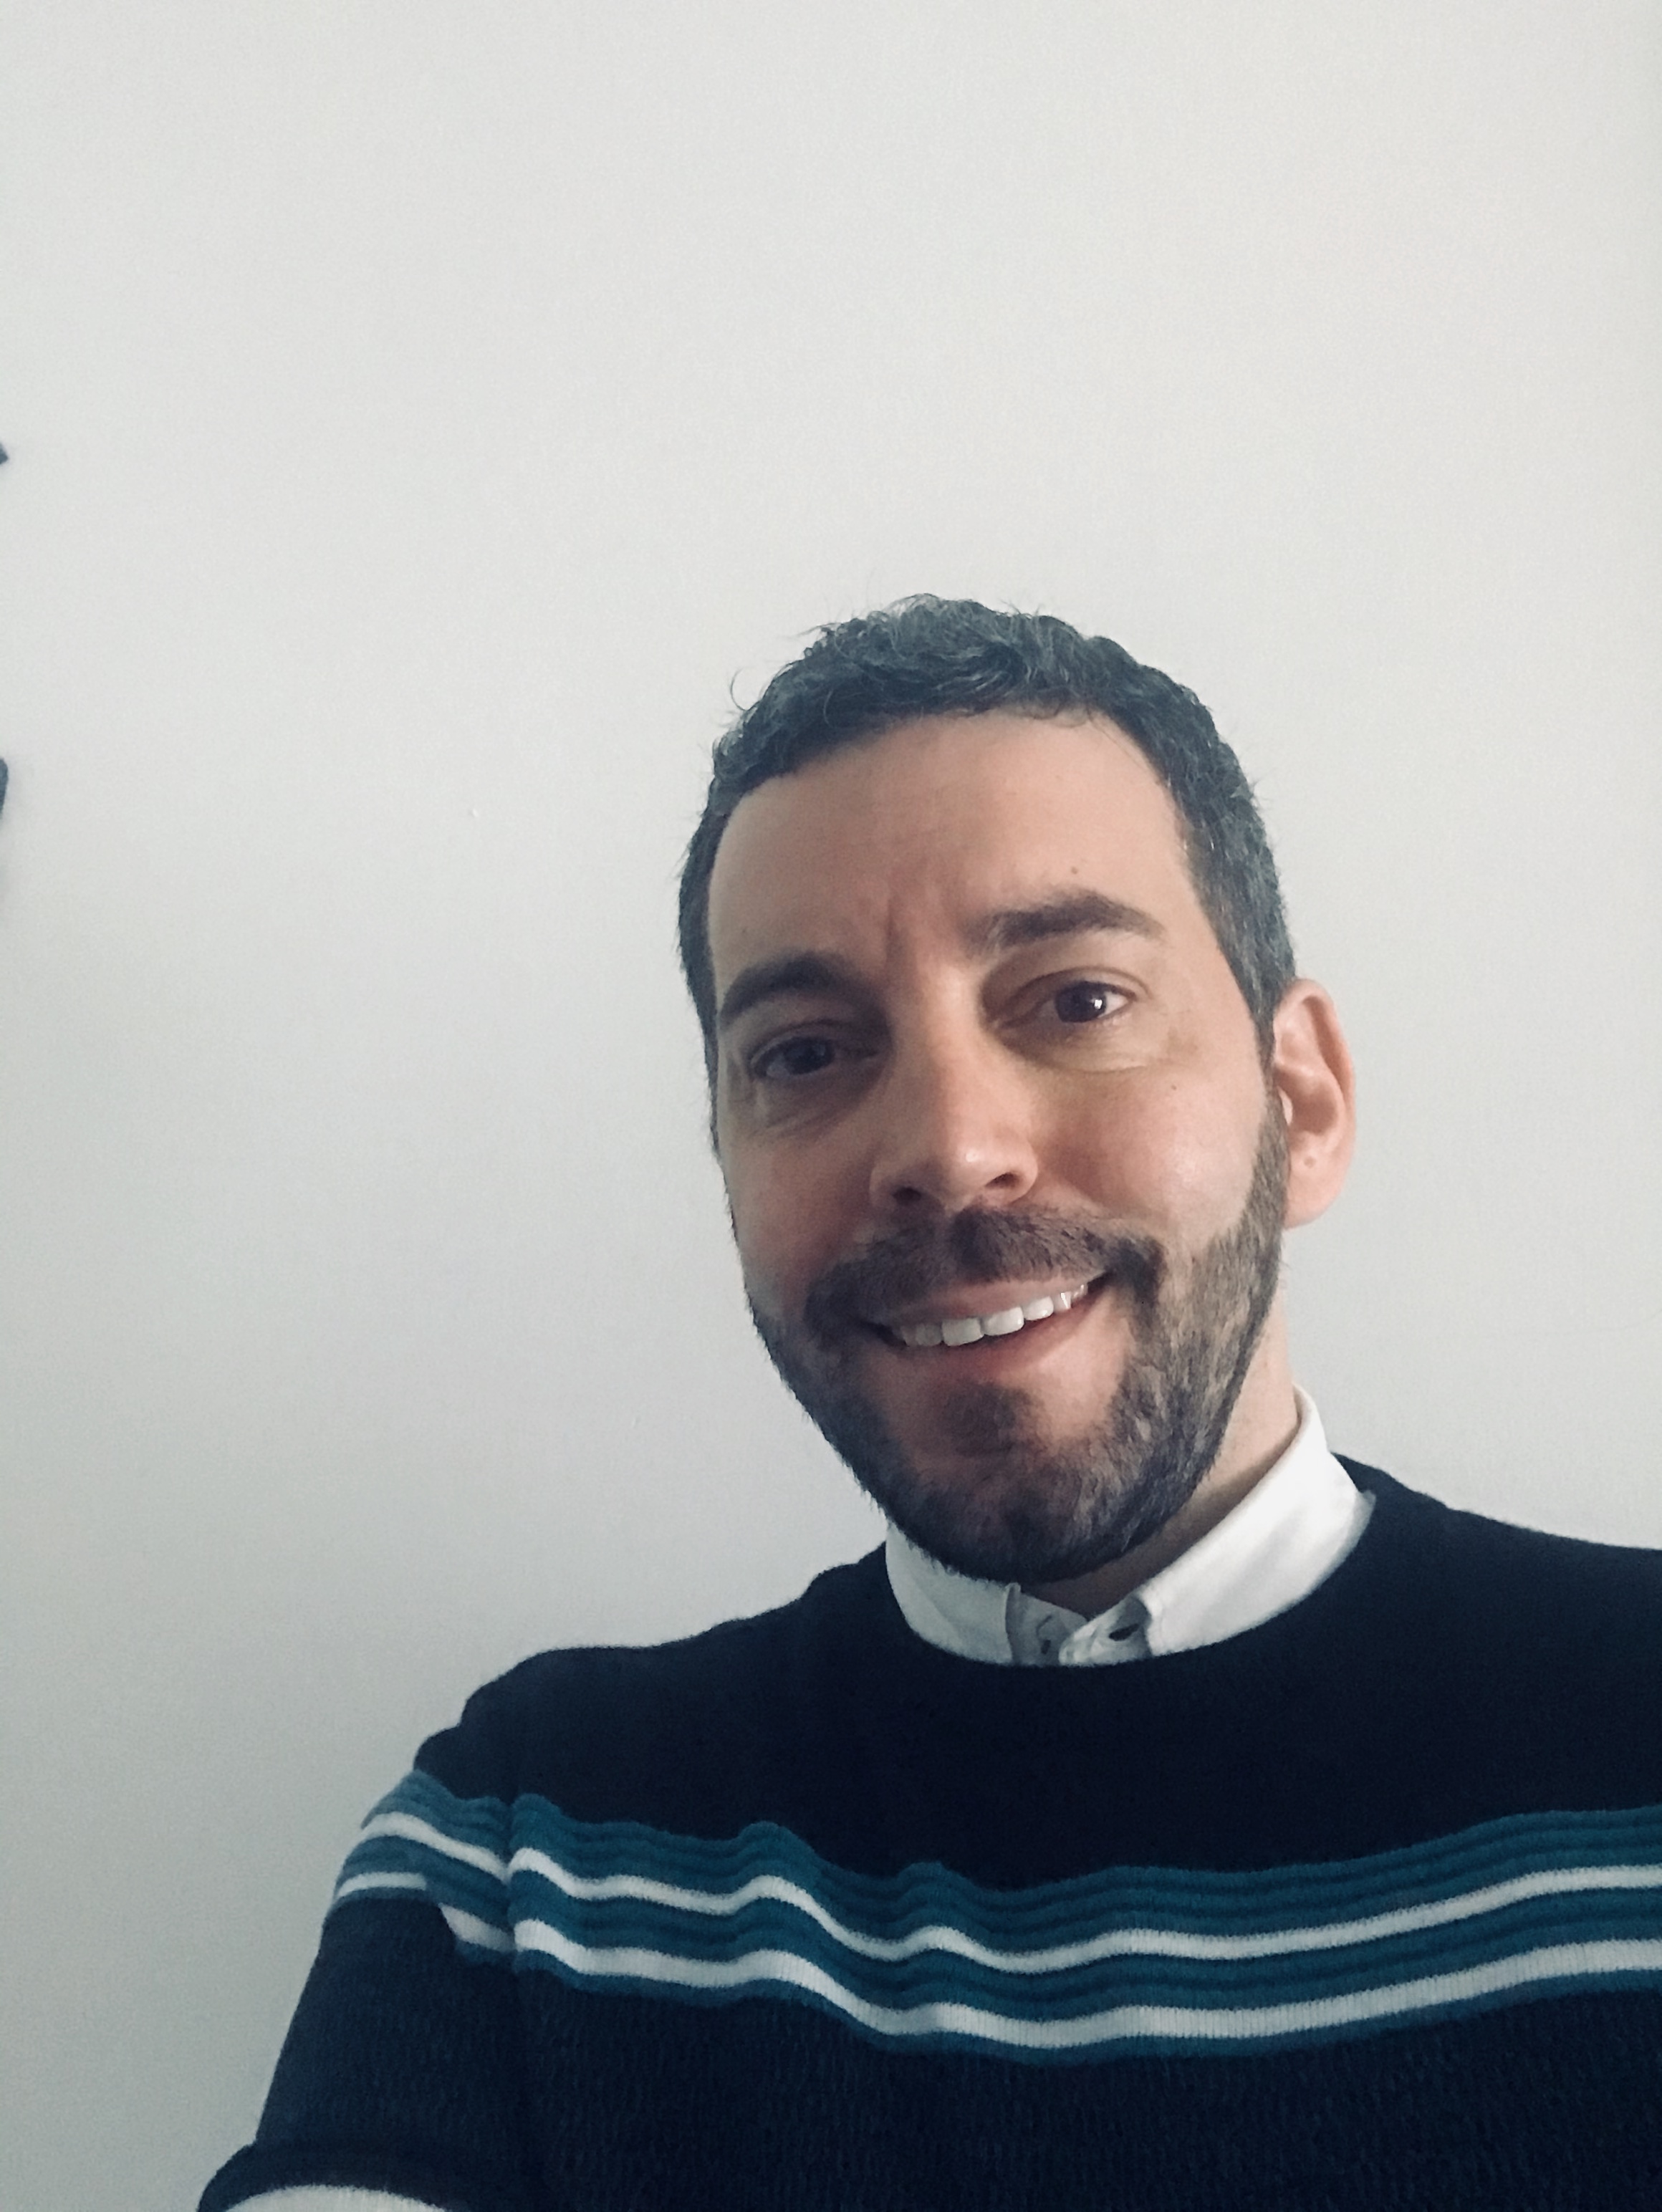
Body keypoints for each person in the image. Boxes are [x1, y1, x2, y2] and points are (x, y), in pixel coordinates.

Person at [201, 599, 1662, 2212]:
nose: (950, 1149)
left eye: (1075, 999)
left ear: (1298, 1100)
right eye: (806, 1051)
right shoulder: (529, 1850)